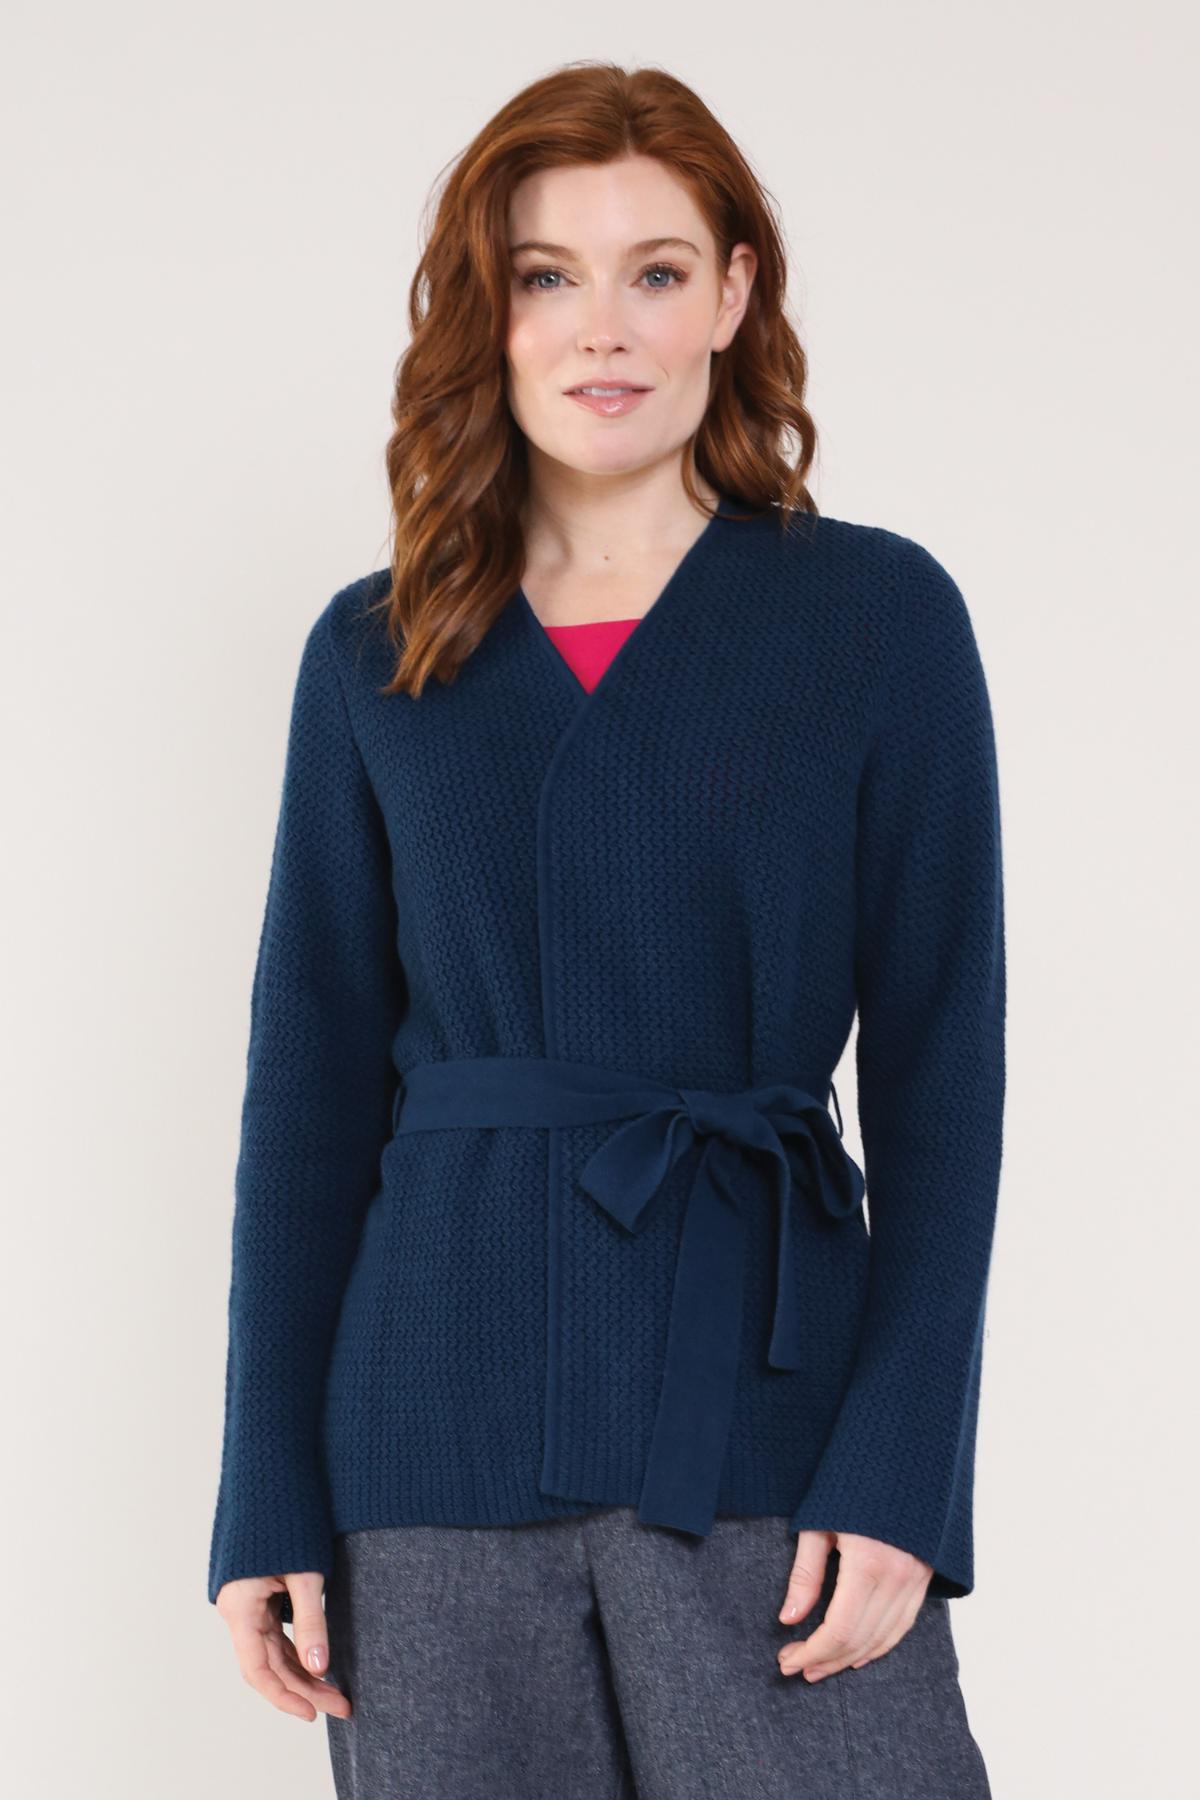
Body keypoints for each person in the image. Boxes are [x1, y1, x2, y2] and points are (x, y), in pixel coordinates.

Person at [207, 61, 1005, 1800]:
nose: (602, 326)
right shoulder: (377, 652)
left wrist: (905, 1473)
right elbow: (309, 1090)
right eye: (547, 275)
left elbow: (946, 1073)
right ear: (487, 310)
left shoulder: (875, 618)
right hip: (429, 1441)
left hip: (769, 1424)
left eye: (656, 270)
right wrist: (264, 1490)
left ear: (733, 294)